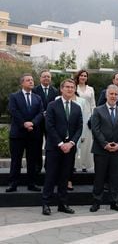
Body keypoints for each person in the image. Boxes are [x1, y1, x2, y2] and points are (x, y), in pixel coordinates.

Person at [41, 79, 83, 215]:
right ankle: (46, 204)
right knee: (51, 176)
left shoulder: (77, 107)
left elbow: (79, 127)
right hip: (54, 148)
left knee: (65, 177)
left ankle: (62, 204)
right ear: (61, 89)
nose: (70, 89)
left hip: (69, 148)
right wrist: (60, 143)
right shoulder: (52, 105)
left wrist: (71, 143)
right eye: (67, 87)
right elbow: (49, 126)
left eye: (72, 87)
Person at [89, 85, 118, 213]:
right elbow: (95, 129)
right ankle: (96, 201)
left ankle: (114, 201)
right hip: (101, 150)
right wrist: (105, 144)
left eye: (116, 94)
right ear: (106, 95)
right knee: (99, 177)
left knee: (114, 177)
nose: (113, 96)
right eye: (111, 94)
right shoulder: (98, 110)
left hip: (117, 150)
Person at [6, 74, 44, 193]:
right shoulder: (14, 96)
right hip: (18, 134)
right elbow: (13, 111)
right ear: (22, 83)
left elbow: (41, 112)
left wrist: (32, 123)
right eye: (28, 80)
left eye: (32, 80)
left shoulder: (37, 98)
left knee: (32, 160)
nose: (31, 82)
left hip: (33, 134)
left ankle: (31, 183)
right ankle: (13, 184)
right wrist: (24, 124)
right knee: (16, 160)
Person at [32, 70, 59, 174]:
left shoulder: (55, 91)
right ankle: (37, 167)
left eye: (48, 77)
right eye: (44, 76)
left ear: (50, 78)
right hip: (38, 122)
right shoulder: (34, 90)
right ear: (40, 78)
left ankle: (49, 166)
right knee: (37, 145)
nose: (46, 78)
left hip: (51, 122)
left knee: (50, 145)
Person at [74, 69, 96, 172]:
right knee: (76, 140)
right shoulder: (74, 87)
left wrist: (92, 117)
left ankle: (84, 165)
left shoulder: (90, 89)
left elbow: (93, 105)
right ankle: (74, 164)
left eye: (85, 76)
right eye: (81, 75)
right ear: (78, 77)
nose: (83, 77)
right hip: (76, 116)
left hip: (88, 118)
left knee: (86, 142)